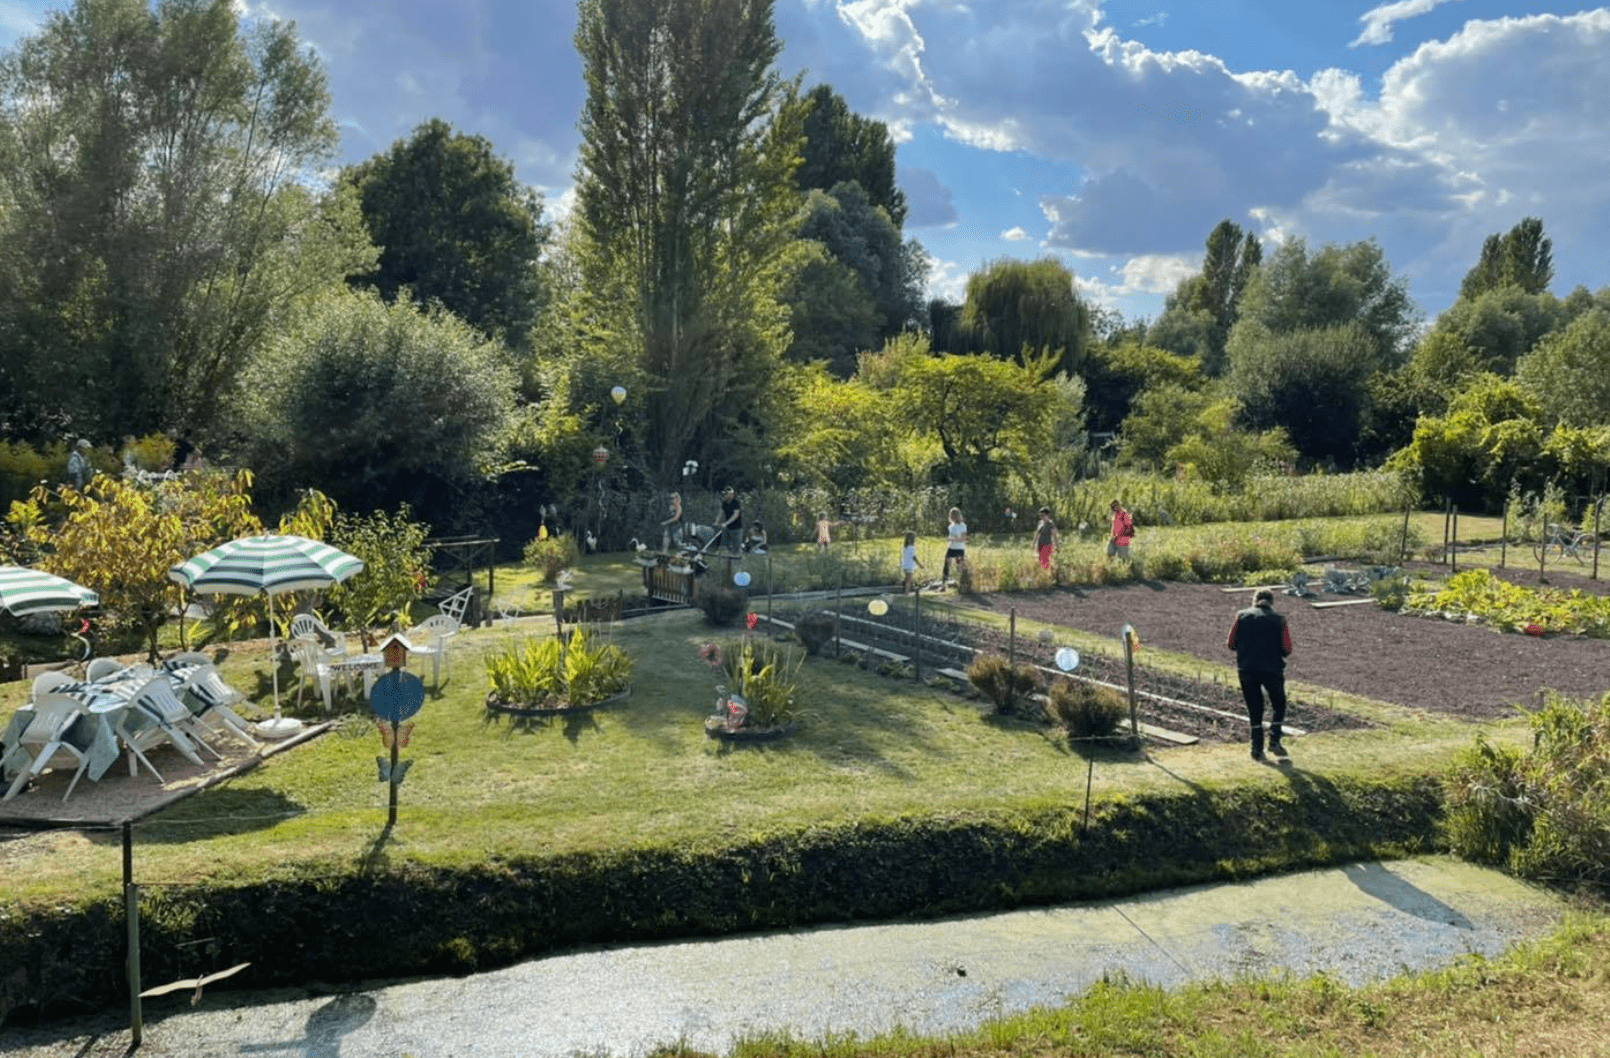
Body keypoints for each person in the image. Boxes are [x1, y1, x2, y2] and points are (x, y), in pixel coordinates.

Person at [1227, 587, 1294, 762]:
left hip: (1247, 668)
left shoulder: (1241, 616)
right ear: (1272, 602)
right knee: (1279, 704)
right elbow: (1287, 648)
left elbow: (1231, 644)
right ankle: (1275, 740)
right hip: (1272, 669)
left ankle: (1257, 749)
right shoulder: (1279, 620)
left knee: (1255, 709)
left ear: (1254, 600)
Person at [941, 507, 967, 590]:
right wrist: (951, 539)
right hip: (951, 547)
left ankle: (961, 584)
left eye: (952, 515)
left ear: (955, 516)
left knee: (959, 565)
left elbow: (963, 539)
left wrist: (953, 539)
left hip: (959, 548)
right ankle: (944, 583)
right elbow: (952, 536)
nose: (950, 516)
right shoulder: (951, 526)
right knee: (947, 563)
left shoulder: (963, 526)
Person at [718, 487, 743, 554]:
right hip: (728, 528)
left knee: (736, 548)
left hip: (736, 529)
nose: (724, 496)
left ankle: (737, 561)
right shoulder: (724, 503)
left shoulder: (736, 503)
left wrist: (726, 523)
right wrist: (716, 522)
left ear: (731, 495)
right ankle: (727, 559)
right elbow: (721, 513)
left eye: (726, 494)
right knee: (725, 546)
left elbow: (736, 515)